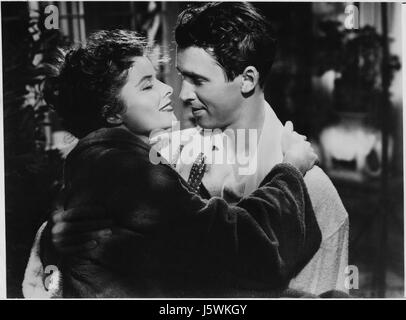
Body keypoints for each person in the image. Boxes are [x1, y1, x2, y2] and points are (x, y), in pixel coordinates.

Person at [27, 2, 349, 295]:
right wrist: (55, 238)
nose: (180, 94)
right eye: (181, 77)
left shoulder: (313, 189)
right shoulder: (163, 155)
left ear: (247, 79)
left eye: (198, 80)